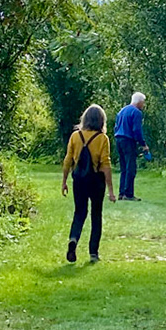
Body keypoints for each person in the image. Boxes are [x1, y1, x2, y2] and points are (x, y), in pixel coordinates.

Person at [60, 104, 116, 263]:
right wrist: (111, 190)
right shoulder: (102, 139)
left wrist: (64, 181)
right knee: (96, 215)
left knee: (79, 212)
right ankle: (93, 252)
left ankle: (73, 239)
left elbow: (68, 160)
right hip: (96, 180)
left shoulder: (75, 136)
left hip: (79, 179)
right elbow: (106, 164)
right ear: (101, 120)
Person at [113, 91, 148, 201]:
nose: (143, 105)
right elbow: (137, 130)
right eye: (143, 102)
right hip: (128, 140)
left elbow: (116, 127)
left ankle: (121, 193)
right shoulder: (136, 112)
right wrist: (143, 144)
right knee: (131, 167)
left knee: (123, 167)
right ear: (139, 102)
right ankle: (128, 194)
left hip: (118, 139)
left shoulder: (122, 111)